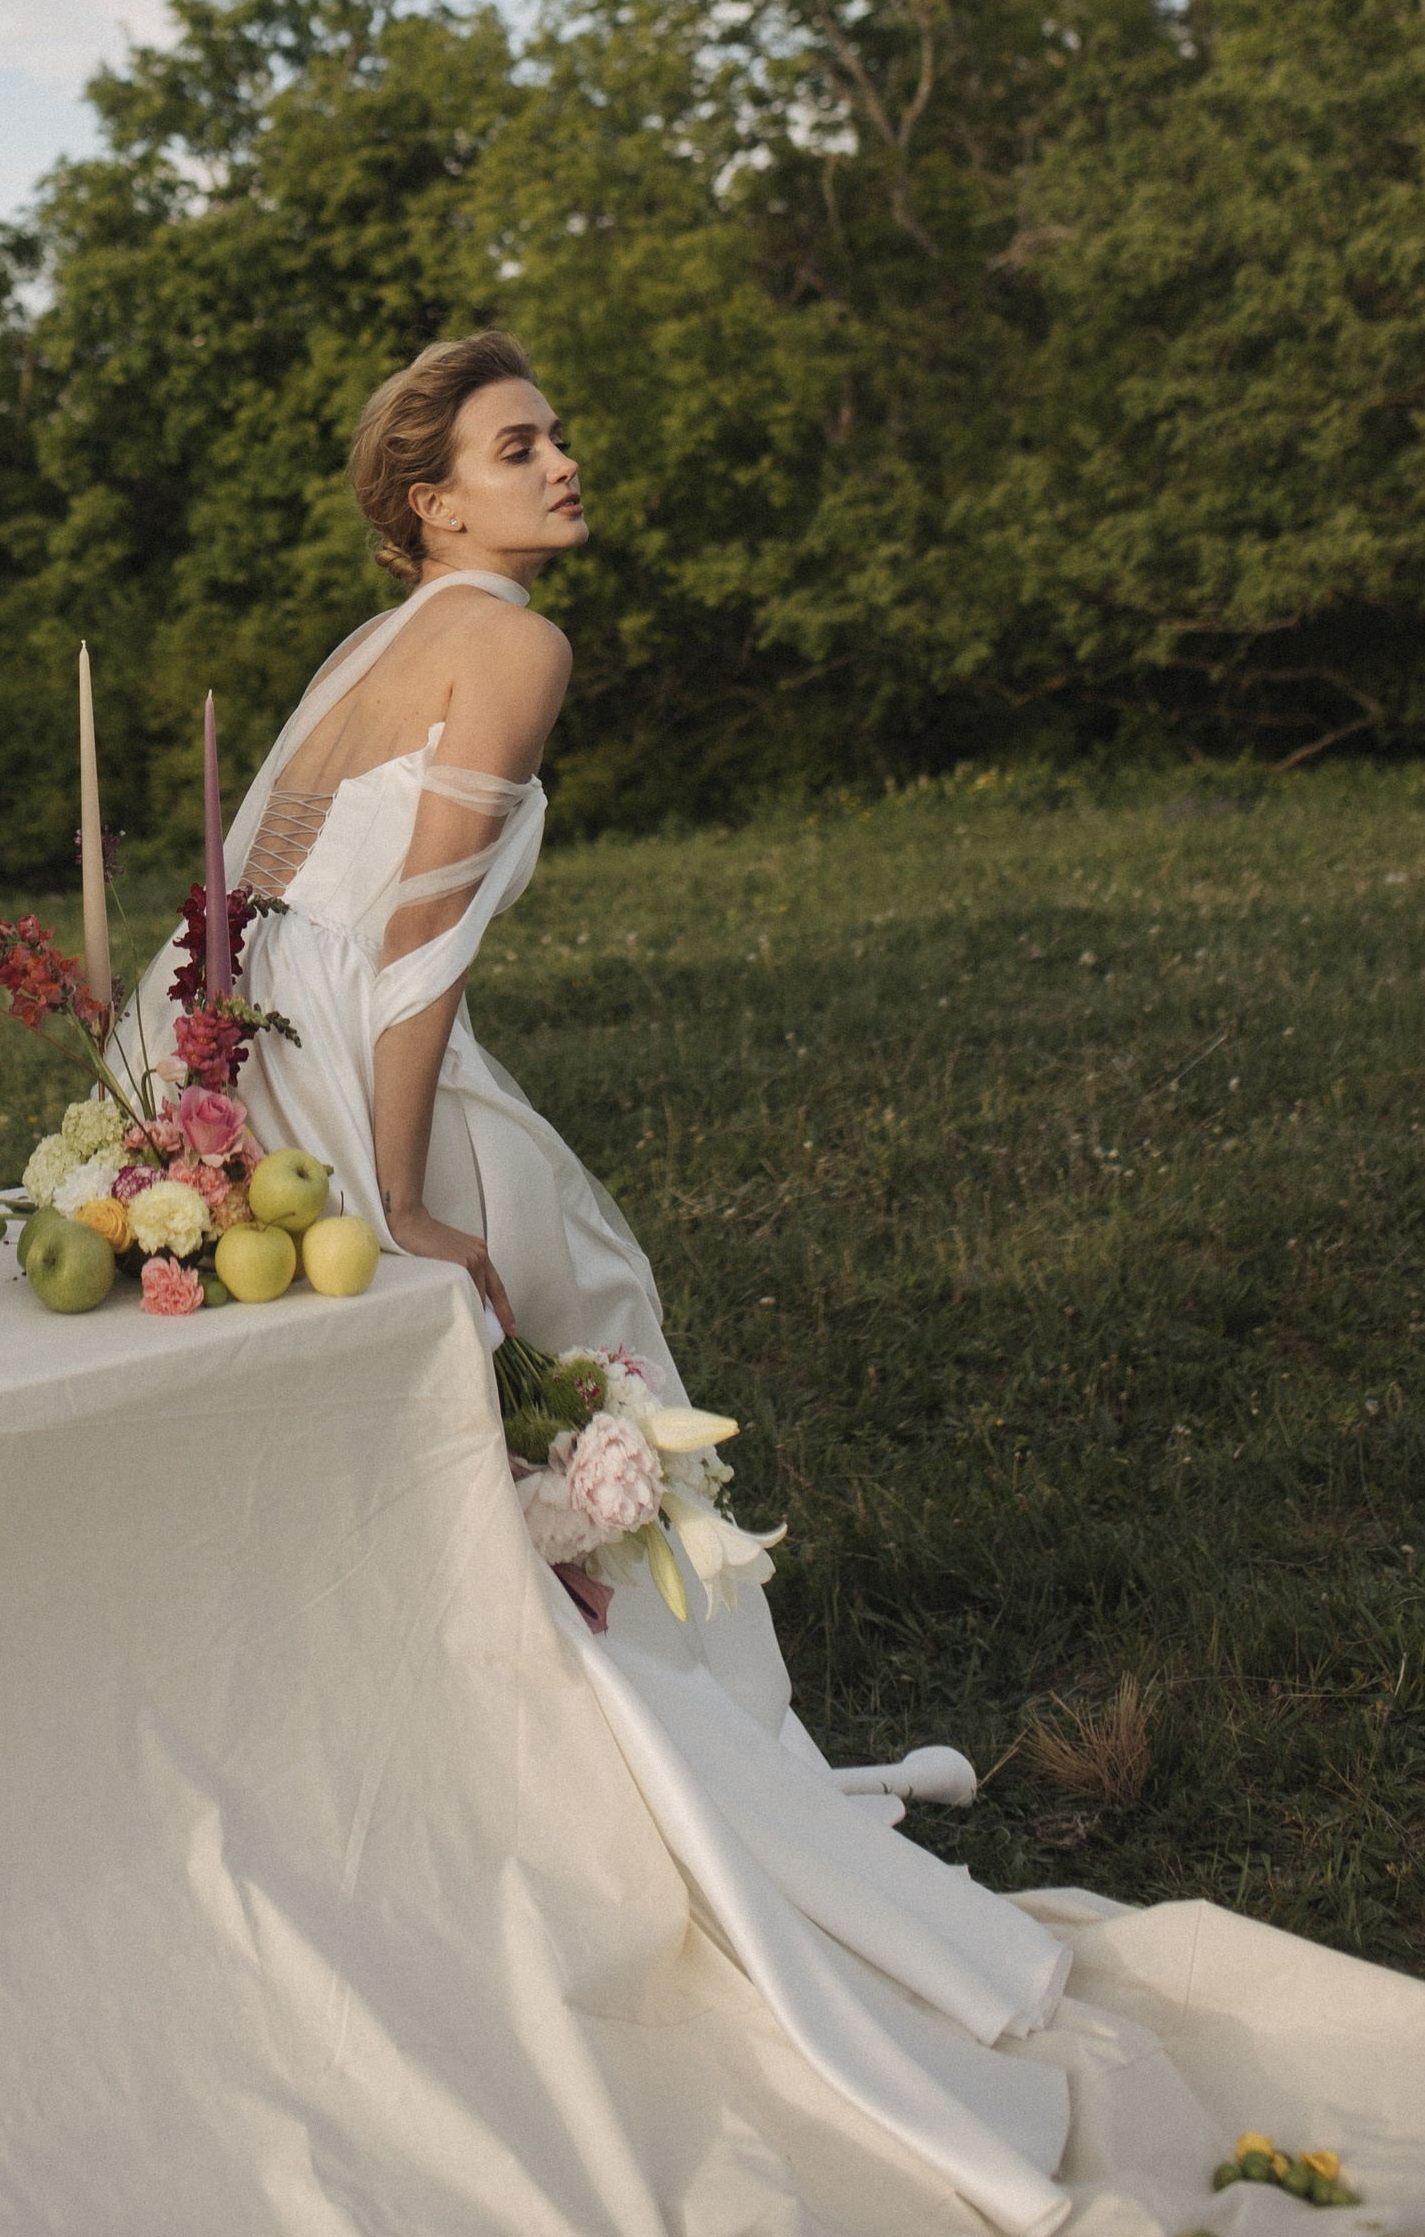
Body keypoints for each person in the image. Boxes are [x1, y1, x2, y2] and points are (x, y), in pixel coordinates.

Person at [154, 330, 1423, 2236]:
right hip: (352, 1067)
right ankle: (683, 1806)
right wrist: (401, 1194)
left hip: (239, 1049)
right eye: (520, 444)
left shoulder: (384, 639)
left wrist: (210, 1110)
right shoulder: (509, 642)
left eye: (559, 431)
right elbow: (407, 945)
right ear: (436, 500)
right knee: (584, 1329)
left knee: (524, 1377)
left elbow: (233, 906)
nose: (563, 461)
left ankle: (523, 1776)